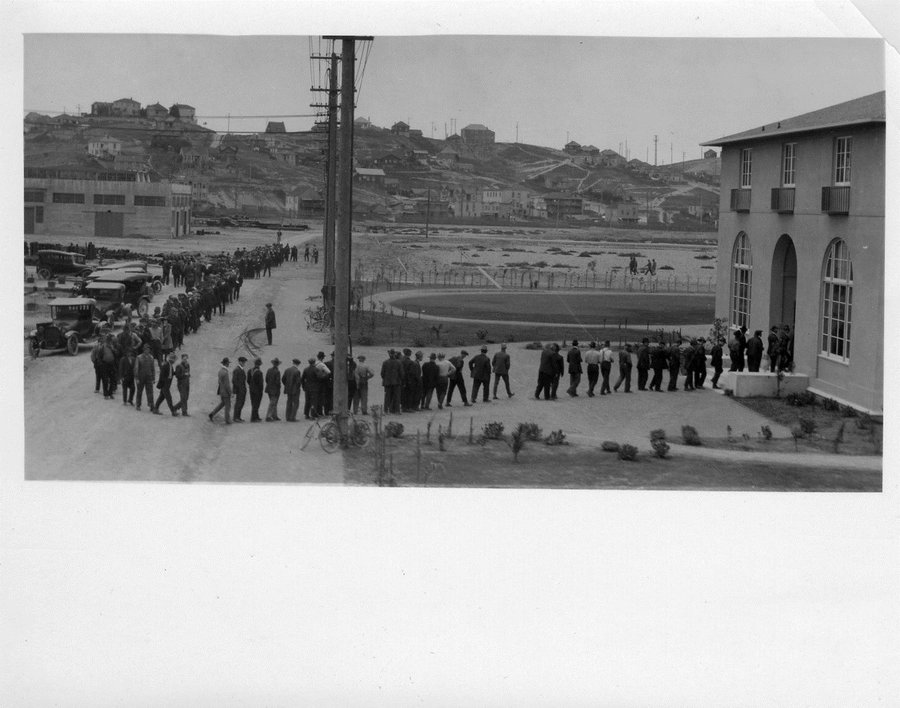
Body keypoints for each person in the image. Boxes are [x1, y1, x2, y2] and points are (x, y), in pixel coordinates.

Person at [208, 357, 233, 423]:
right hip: (226, 393)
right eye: (228, 363)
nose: (229, 364)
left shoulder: (220, 371)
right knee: (228, 406)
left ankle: (212, 413)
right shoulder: (225, 372)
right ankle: (227, 420)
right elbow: (227, 385)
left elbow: (219, 382)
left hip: (221, 391)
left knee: (222, 404)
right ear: (226, 363)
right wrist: (230, 393)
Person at [133, 343, 157, 411]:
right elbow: (136, 368)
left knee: (150, 391)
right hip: (141, 377)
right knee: (139, 391)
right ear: (143, 350)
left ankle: (151, 405)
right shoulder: (139, 357)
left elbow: (153, 369)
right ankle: (138, 405)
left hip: (149, 377)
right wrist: (137, 378)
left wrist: (153, 378)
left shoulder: (151, 357)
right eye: (146, 349)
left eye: (148, 349)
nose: (147, 350)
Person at [380, 349, 404, 414]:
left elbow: (382, 373)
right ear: (394, 354)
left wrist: (385, 379)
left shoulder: (385, 362)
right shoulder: (399, 362)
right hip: (397, 382)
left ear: (389, 354)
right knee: (397, 397)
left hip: (387, 382)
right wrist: (401, 380)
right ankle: (396, 410)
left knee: (387, 397)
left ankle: (386, 410)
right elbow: (401, 373)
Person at [232, 356, 248, 422]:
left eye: (244, 362)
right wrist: (239, 388)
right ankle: (236, 417)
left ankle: (238, 417)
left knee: (241, 403)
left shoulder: (240, 369)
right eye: (243, 362)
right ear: (240, 362)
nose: (244, 363)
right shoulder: (237, 370)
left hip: (242, 389)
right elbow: (234, 380)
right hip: (240, 390)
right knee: (239, 403)